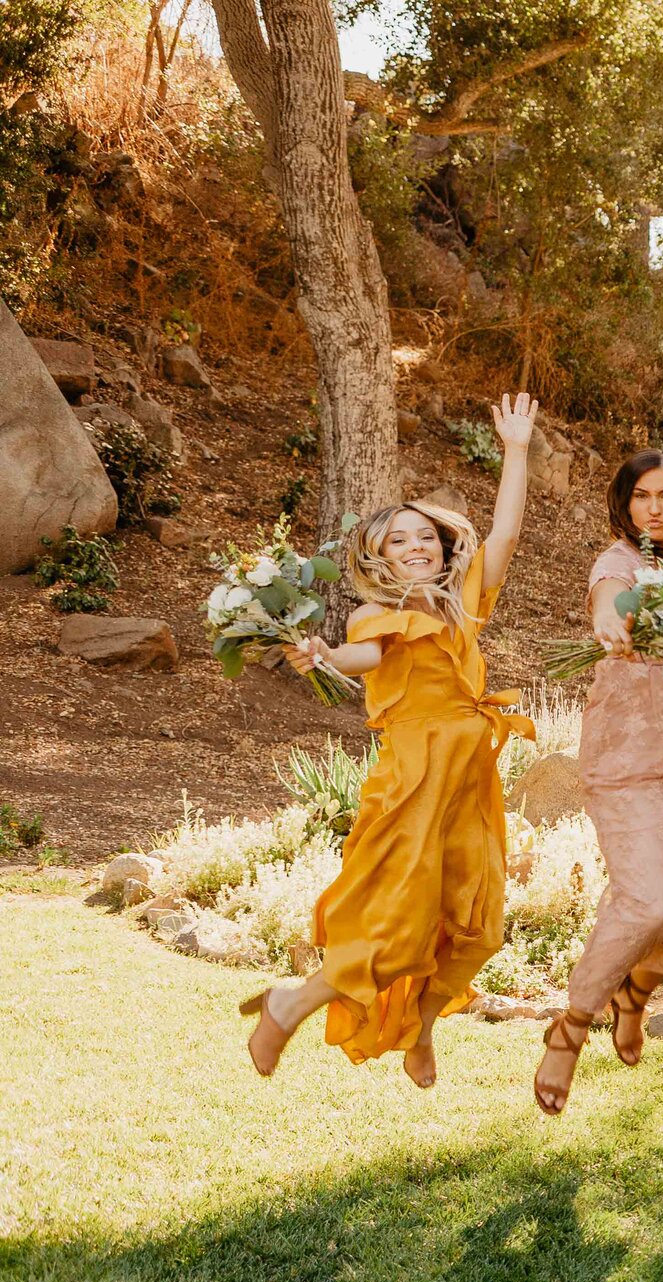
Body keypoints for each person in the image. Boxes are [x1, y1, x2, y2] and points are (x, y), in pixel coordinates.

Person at [241, 394, 540, 1085]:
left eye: (425, 537)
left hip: (469, 779)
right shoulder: (375, 616)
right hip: (414, 781)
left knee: (479, 926)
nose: (416, 546)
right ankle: (291, 1005)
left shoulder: (462, 600)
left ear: (441, 549)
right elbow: (365, 659)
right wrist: (322, 655)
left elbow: (506, 537)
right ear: (377, 557)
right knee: (400, 926)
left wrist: (516, 450)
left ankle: (421, 1025)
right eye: (398, 539)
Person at [534, 449, 663, 1116]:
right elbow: (605, 602)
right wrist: (608, 623)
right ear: (625, 507)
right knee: (647, 898)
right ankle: (572, 1024)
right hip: (632, 757)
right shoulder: (619, 563)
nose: (652, 508)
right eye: (640, 497)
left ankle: (637, 989)